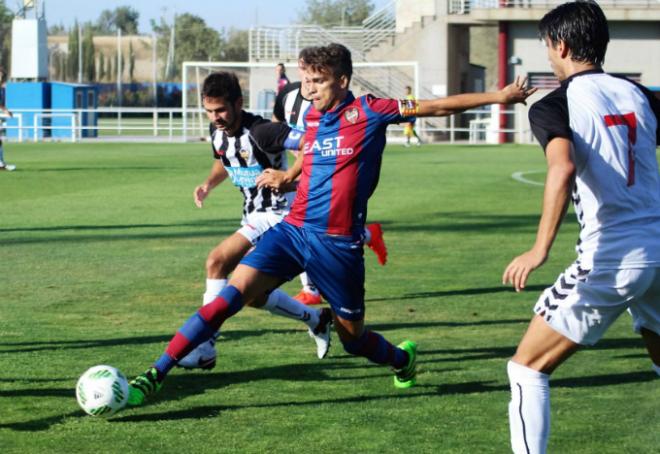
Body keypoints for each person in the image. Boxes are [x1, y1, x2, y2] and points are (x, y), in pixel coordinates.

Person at [126, 43, 534, 406]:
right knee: (227, 298)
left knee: (353, 341)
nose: (309, 90)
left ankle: (401, 359)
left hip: (337, 246)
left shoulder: (372, 111)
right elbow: (311, 155)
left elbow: (438, 107)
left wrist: (500, 96)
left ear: (342, 79)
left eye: (317, 81)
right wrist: (289, 176)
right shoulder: (315, 121)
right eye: (305, 81)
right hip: (293, 230)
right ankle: (156, 374)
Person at [501, 2, 660, 453]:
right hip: (659, 245)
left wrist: (538, 250)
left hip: (611, 255)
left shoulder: (555, 103)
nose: (549, 56)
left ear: (562, 46)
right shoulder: (642, 95)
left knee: (526, 369)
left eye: (548, 47)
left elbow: (561, 168)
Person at [177, 71, 333, 370]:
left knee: (216, 261)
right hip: (254, 215)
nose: (215, 117)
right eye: (209, 111)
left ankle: (205, 345)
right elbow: (225, 159)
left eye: (221, 109)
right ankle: (316, 318)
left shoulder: (263, 131)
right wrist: (208, 184)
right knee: (252, 294)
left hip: (281, 216)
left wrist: (289, 177)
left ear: (238, 103)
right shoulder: (217, 132)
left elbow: (310, 145)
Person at [272, 54, 388, 306]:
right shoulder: (287, 96)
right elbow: (277, 127)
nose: (308, 80)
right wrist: (286, 168)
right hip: (302, 167)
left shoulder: (338, 103)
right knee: (301, 225)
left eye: (315, 75)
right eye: (303, 71)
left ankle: (315, 288)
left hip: (328, 168)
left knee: (312, 224)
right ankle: (314, 286)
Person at [0, 69, 15, 172]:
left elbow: (2, 104)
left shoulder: (3, 89)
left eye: (1, 75)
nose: (0, 77)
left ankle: (1, 164)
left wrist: (7, 111)